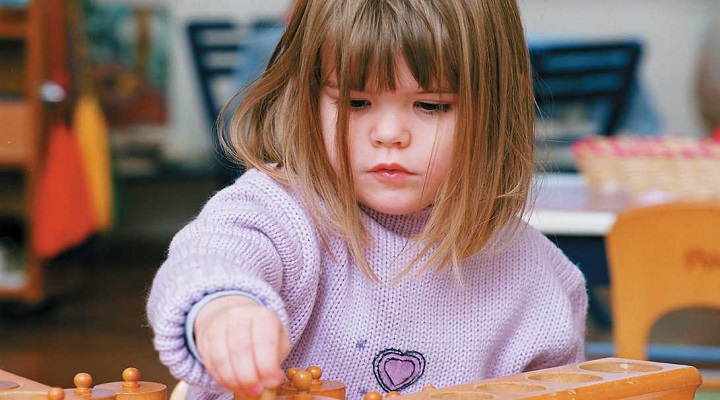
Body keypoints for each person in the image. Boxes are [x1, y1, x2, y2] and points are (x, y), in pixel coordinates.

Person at [146, 1, 588, 399]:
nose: (389, 135)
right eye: (356, 102)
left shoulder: (543, 281)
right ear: (306, 97)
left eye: (431, 105)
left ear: (497, 107)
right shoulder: (279, 211)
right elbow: (209, 254)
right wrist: (223, 307)